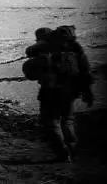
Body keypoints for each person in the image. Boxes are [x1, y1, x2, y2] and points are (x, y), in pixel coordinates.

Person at [24, 25, 93, 162]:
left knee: (51, 123)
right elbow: (85, 71)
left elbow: (30, 67)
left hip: (49, 92)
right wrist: (87, 92)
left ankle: (63, 153)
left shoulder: (42, 50)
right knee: (68, 120)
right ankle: (72, 150)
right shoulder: (73, 49)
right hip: (70, 91)